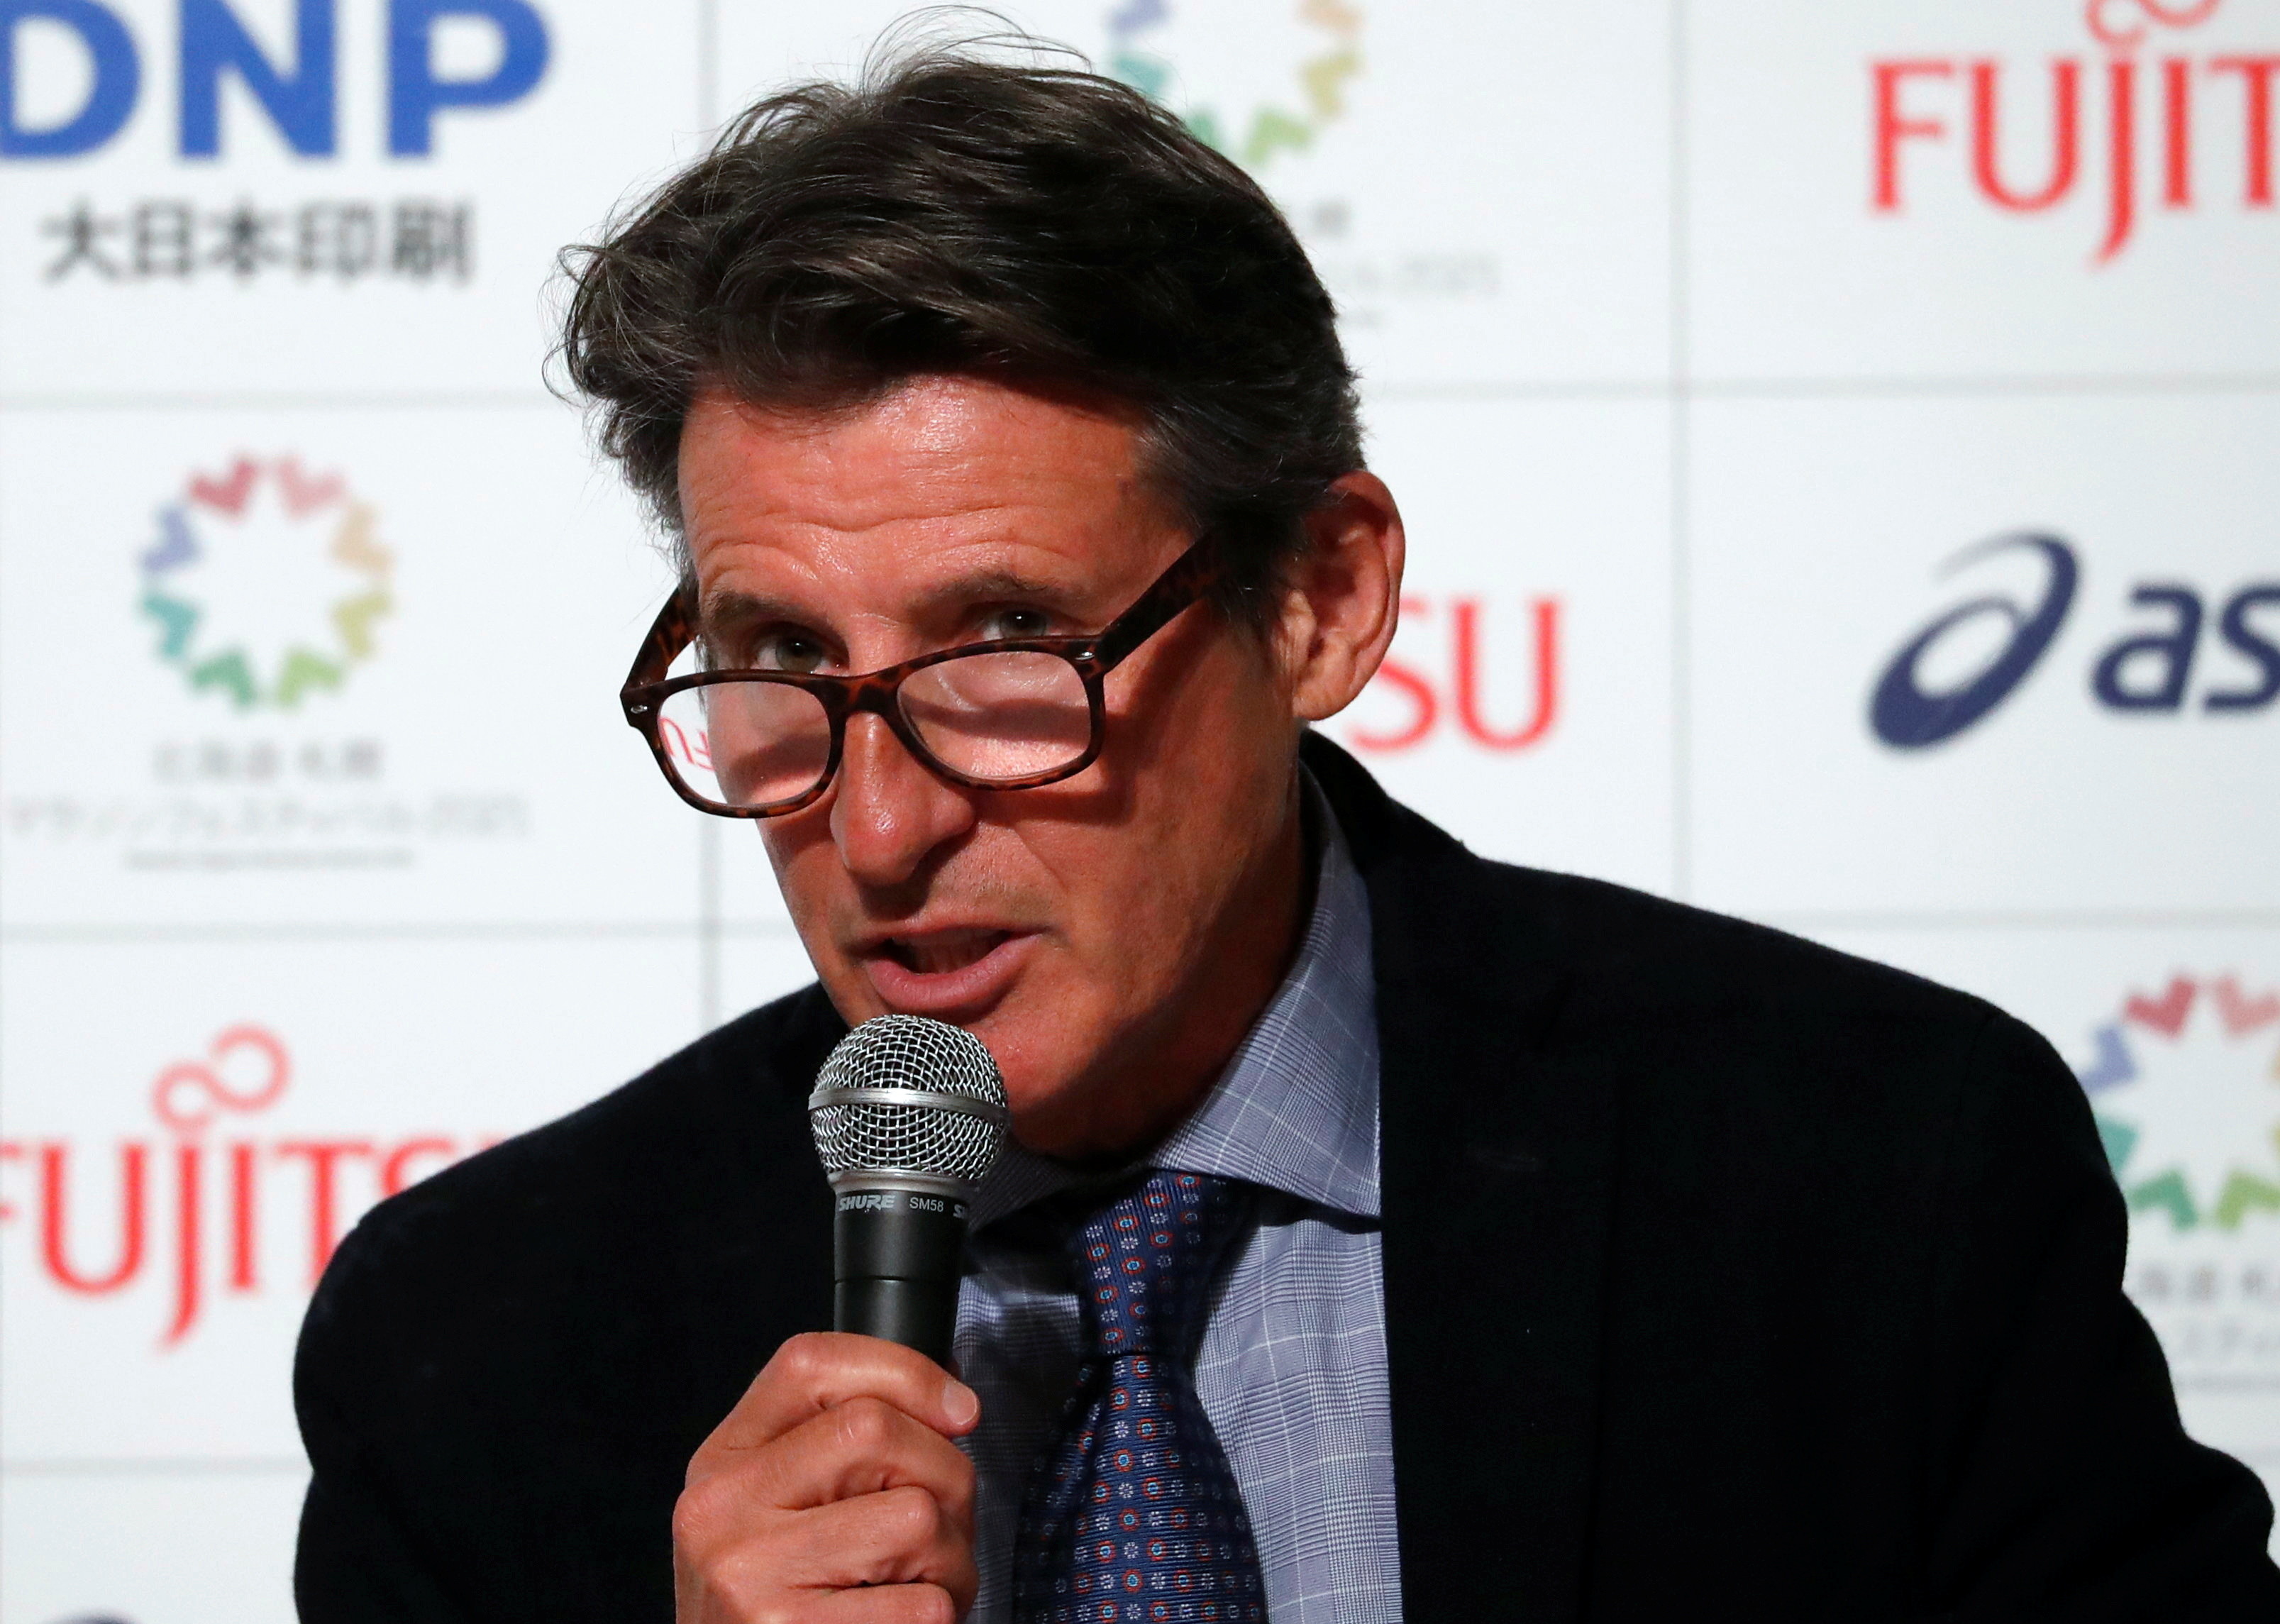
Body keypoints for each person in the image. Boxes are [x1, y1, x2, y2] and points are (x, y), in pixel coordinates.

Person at [292, 44, 2280, 1624]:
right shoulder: (482, 1343)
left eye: (1005, 651)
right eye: (784, 660)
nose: (877, 828)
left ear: (1320, 601)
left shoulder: (1870, 1174)